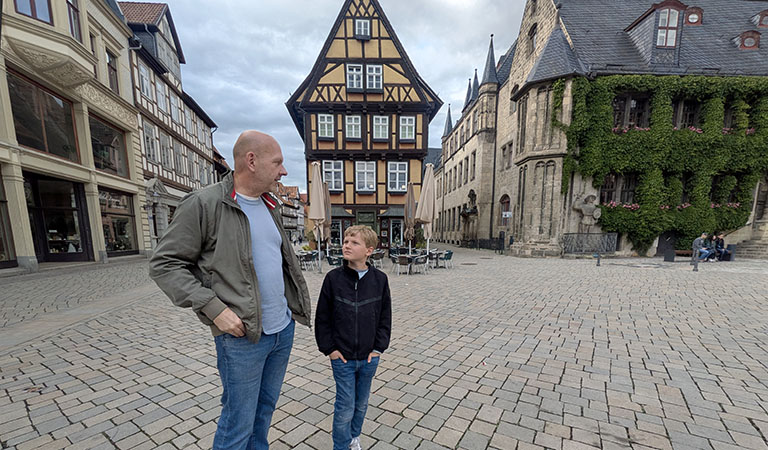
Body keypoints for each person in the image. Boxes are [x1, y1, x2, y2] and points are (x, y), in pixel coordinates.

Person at [149, 131, 312, 450]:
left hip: (281, 331)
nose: (283, 171)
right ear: (251, 161)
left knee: (263, 413)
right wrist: (215, 309)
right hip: (242, 336)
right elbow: (164, 264)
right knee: (238, 422)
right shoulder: (204, 203)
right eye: (277, 162)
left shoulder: (270, 204)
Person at [315, 225, 392, 450]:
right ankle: (340, 445)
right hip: (343, 358)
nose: (346, 245)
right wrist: (330, 349)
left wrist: (378, 348)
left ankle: (354, 437)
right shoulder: (333, 279)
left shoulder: (380, 280)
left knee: (361, 403)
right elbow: (322, 317)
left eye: (354, 242)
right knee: (345, 405)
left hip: (369, 358)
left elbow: (385, 317)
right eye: (346, 241)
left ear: (369, 250)